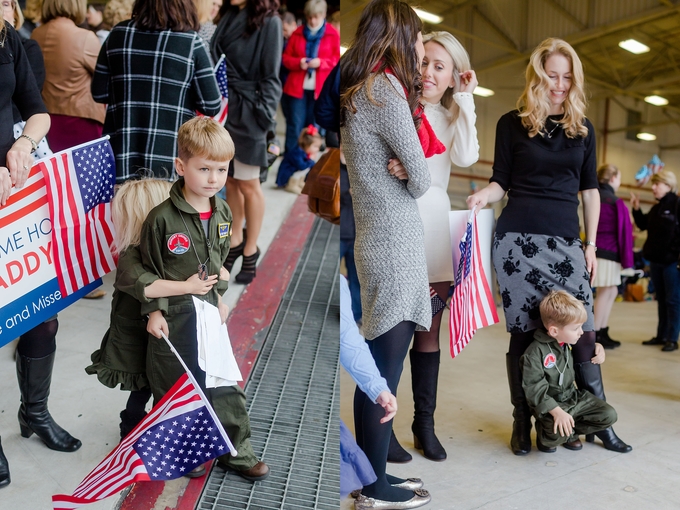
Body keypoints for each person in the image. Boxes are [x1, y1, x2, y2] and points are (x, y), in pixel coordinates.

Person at [467, 38, 631, 454]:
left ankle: (594, 421)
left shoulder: (583, 128)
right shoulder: (511, 122)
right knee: (524, 336)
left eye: (566, 76)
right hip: (517, 244)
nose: (559, 84)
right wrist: (482, 198)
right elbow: (500, 180)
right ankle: (523, 421)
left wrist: (590, 245)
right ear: (537, 77)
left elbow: (589, 191)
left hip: (566, 242)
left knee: (584, 333)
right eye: (551, 75)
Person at [340, 0, 436, 507]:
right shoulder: (386, 90)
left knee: (378, 372)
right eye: (419, 37)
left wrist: (405, 163)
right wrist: (406, 166)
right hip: (394, 246)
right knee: (382, 375)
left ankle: (372, 475)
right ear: (400, 36)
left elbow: (409, 165)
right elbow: (419, 178)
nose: (422, 48)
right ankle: (371, 488)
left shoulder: (362, 89)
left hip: (378, 241)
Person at [140, 117, 270, 481]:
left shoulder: (224, 212)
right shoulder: (161, 219)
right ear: (181, 167)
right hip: (175, 316)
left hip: (208, 311)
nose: (214, 178)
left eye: (222, 169)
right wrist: (154, 312)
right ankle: (187, 451)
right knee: (179, 385)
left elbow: (216, 263)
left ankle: (235, 451)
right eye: (204, 169)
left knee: (224, 383)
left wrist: (219, 297)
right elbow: (148, 268)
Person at [389, 30, 480, 464]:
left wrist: (466, 101)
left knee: (428, 335)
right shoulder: (395, 106)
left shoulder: (449, 116)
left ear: (452, 77)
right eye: (424, 61)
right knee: (391, 333)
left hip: (433, 228)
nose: (427, 72)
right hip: (395, 223)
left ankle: (423, 425)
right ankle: (381, 427)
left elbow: (465, 156)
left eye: (439, 66)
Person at [85, 178, 230, 440]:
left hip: (171, 326)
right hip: (138, 331)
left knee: (169, 378)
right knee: (145, 381)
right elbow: (147, 286)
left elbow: (218, 270)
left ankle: (162, 427)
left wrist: (217, 293)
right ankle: (133, 427)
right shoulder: (131, 253)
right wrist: (188, 287)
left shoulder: (173, 251)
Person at [0, 20, 70, 490]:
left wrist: (23, 144)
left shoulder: (9, 38)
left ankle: (35, 412)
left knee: (40, 312)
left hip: (16, 200)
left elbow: (36, 109)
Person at [92, 0, 221, 183]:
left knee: (125, 211)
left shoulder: (117, 34)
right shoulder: (191, 42)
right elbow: (211, 104)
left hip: (122, 154)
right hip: (170, 159)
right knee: (164, 211)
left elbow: (99, 93)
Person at [210, 0, 282, 285]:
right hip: (225, 107)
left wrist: (264, 119)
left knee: (250, 184)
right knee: (232, 180)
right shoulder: (228, 14)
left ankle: (251, 249)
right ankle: (236, 240)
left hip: (250, 111)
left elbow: (271, 77)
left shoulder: (270, 21)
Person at [340, 275, 425, 504]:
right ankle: (374, 487)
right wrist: (379, 388)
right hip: (396, 260)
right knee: (386, 367)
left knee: (378, 363)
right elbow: (346, 339)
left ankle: (368, 474)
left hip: (389, 257)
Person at [522, 291, 617, 452]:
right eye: (576, 328)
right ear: (554, 331)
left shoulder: (567, 341)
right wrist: (557, 412)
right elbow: (534, 388)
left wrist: (596, 347)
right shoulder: (534, 353)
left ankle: (570, 432)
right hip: (552, 405)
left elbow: (581, 350)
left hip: (573, 397)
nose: (581, 332)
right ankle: (550, 433)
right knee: (552, 437)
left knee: (609, 414)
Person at [31, 0, 105, 152]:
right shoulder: (85, 37)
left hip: (44, 120)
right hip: (80, 120)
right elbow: (104, 76)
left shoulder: (36, 34)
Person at [281, 0, 339, 154]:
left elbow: (336, 61)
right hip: (296, 88)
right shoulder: (297, 32)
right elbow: (286, 58)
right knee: (294, 125)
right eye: (310, 17)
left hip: (320, 89)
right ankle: (291, 159)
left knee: (314, 126)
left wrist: (321, 62)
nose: (312, 21)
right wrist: (299, 62)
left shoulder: (333, 34)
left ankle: (308, 161)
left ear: (324, 15)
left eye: (316, 17)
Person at [631, 170, 680, 352]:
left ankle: (672, 339)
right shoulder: (656, 208)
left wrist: (675, 253)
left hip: (672, 263)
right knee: (661, 300)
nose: (653, 188)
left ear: (668, 185)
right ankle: (661, 335)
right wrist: (636, 209)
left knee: (673, 301)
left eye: (657, 184)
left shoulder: (677, 205)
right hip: (656, 262)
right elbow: (644, 224)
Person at [593, 164, 634, 349]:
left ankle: (602, 330)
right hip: (609, 252)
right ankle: (595, 334)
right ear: (612, 178)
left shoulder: (595, 195)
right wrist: (628, 261)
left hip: (598, 250)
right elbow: (625, 232)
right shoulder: (614, 200)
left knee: (611, 291)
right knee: (605, 291)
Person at [275, 124, 322, 189]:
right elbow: (301, 166)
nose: (317, 149)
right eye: (315, 146)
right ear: (307, 144)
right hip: (286, 176)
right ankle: (291, 185)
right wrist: (310, 160)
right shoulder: (297, 152)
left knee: (308, 166)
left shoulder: (305, 152)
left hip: (294, 172)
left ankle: (300, 182)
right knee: (305, 167)